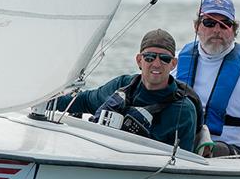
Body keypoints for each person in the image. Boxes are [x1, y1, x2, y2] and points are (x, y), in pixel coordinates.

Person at [54, 29, 200, 151]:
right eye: (149, 57)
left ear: (173, 64)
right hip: (104, 159)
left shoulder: (184, 111)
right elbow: (84, 101)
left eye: (164, 59)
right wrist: (44, 100)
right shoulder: (121, 86)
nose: (156, 64)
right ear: (139, 60)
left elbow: (185, 160)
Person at [176, 0, 240, 160]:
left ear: (234, 30)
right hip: (181, 146)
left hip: (228, 153)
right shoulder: (176, 60)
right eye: (209, 23)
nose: (217, 30)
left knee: (215, 149)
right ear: (196, 27)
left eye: (225, 24)